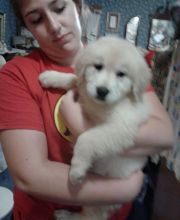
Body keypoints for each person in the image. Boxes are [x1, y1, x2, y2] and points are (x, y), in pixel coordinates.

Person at [0, 0, 173, 219]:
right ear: (26, 25)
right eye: (36, 19)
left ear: (79, 5)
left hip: (112, 199)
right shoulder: (16, 75)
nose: (54, 25)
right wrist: (125, 188)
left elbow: (164, 135)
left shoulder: (121, 59)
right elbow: (29, 176)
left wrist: (81, 126)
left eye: (59, 8)